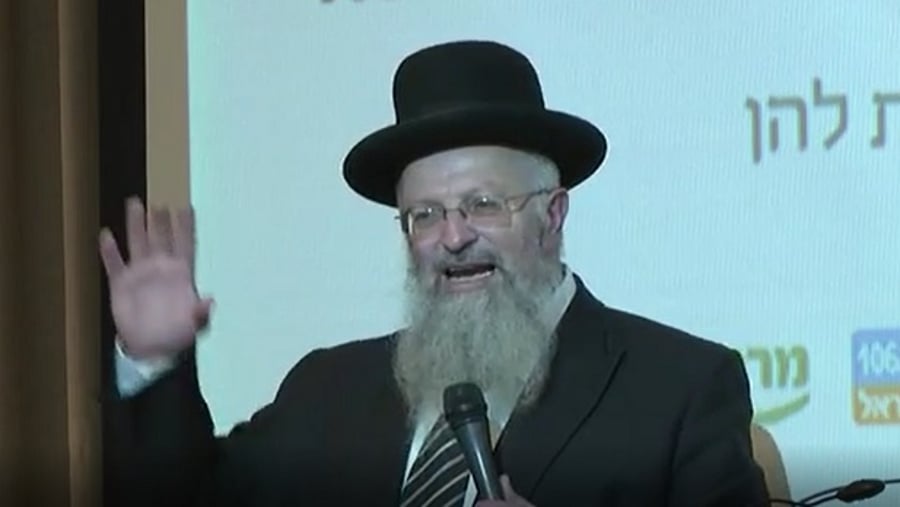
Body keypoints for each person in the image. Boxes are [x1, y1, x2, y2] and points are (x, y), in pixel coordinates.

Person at [100, 40, 769, 507]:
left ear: (553, 213)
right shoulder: (327, 391)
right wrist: (154, 361)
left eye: (484, 205)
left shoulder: (679, 390)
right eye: (424, 216)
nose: (453, 237)